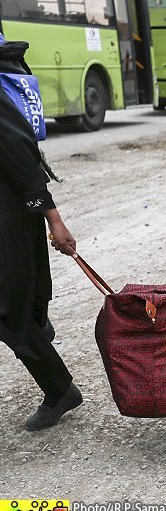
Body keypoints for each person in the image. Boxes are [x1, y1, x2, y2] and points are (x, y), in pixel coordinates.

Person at [0, 35, 82, 431]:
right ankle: (36, 317)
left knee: (7, 313)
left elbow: (18, 152)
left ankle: (59, 388)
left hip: (8, 219)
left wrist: (53, 218)